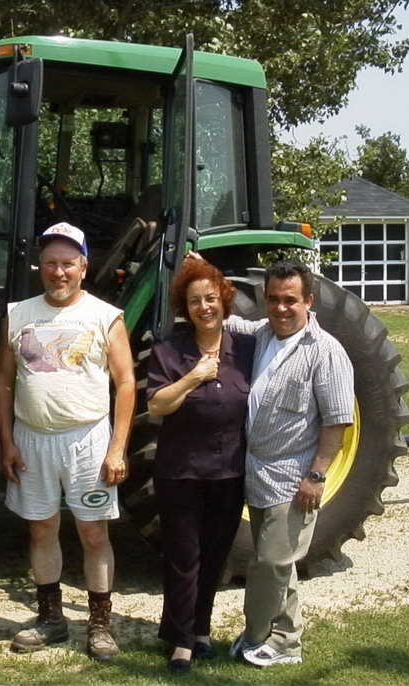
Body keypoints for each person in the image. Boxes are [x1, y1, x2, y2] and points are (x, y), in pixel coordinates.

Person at [0, 221, 135, 661]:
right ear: (41, 267)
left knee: (94, 533)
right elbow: (2, 383)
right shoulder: (18, 314)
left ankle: (99, 625)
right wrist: (7, 443)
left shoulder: (105, 316)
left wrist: (116, 448)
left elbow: (126, 382)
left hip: (88, 442)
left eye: (68, 264)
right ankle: (51, 619)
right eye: (51, 264)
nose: (59, 272)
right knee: (41, 527)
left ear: (83, 267)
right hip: (31, 441)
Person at [225, 260, 354, 668]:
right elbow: (222, 320)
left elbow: (337, 421)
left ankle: (256, 635)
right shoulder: (263, 334)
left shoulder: (326, 352)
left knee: (270, 562)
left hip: (294, 478)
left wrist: (316, 476)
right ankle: (287, 641)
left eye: (290, 301)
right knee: (283, 566)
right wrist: (201, 277)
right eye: (274, 300)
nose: (281, 308)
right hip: (258, 474)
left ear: (309, 301)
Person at [145, 259, 255, 673]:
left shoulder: (245, 348)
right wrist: (194, 377)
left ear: (224, 301)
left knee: (214, 556)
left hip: (229, 471)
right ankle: (180, 640)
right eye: (195, 301)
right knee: (182, 557)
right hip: (181, 472)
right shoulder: (170, 351)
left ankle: (201, 629)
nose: (204, 307)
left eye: (211, 298)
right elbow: (157, 405)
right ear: (184, 308)